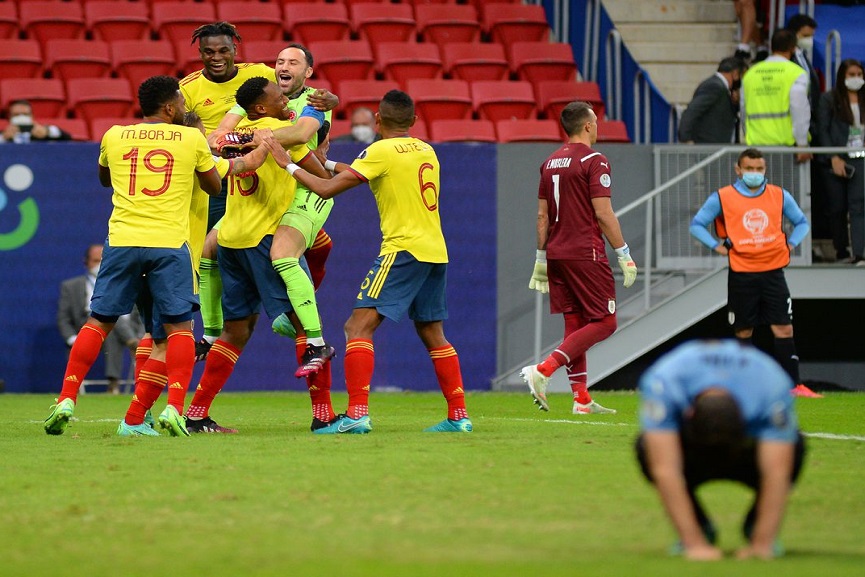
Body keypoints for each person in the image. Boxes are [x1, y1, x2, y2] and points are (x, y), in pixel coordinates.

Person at [264, 89, 473, 434]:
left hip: (403, 250)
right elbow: (359, 171)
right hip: (436, 250)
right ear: (414, 121)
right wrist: (324, 160)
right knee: (433, 332)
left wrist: (285, 163)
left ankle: (357, 413)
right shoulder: (426, 150)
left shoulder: (380, 151)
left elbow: (326, 189)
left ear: (377, 120)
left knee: (357, 327)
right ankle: (458, 416)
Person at [43, 75, 223, 436]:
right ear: (170, 107)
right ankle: (173, 408)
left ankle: (66, 398)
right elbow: (213, 186)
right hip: (168, 244)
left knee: (99, 321)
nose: (185, 109)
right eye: (182, 105)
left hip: (122, 240)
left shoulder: (114, 134)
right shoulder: (191, 138)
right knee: (178, 329)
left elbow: (104, 179)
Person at [185, 78, 336, 433]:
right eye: (279, 96)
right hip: (264, 240)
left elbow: (219, 141)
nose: (286, 99)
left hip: (231, 241)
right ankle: (324, 417)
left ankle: (196, 416)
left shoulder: (237, 136)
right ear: (261, 108)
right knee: (304, 326)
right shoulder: (277, 131)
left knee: (236, 331)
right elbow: (318, 178)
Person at [116, 110, 273, 436]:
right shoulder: (196, 158)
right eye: (204, 132)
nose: (208, 138)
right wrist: (267, 144)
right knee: (175, 336)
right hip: (175, 257)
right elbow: (246, 165)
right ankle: (142, 416)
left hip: (136, 247)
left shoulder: (156, 158)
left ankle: (140, 415)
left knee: (152, 333)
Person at [193, 37, 337, 362]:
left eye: (293, 63)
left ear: (309, 71)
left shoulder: (311, 104)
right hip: (264, 214)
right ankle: (315, 341)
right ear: (261, 105)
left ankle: (208, 335)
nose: (283, 71)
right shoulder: (273, 118)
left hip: (264, 214)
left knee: (224, 253)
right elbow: (317, 169)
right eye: (280, 62)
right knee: (280, 265)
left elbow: (217, 140)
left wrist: (244, 138)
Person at [636, 339, 806, 560]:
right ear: (689, 415)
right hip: (691, 450)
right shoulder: (665, 381)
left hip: (747, 450)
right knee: (646, 447)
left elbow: (777, 470)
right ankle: (699, 527)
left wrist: (762, 543)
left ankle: (756, 526)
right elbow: (664, 468)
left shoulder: (769, 383)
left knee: (794, 445)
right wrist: (694, 544)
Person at [518, 101, 637, 415]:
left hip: (557, 252)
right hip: (586, 251)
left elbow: (542, 217)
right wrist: (623, 252)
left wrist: (541, 258)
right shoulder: (595, 160)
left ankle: (581, 398)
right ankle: (544, 370)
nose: (597, 128)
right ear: (587, 126)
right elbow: (603, 214)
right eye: (595, 122)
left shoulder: (549, 163)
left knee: (576, 324)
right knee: (606, 322)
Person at [689, 147, 820, 398]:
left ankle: (794, 385)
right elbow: (697, 225)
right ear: (738, 170)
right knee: (743, 330)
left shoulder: (779, 195)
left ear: (765, 169)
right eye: (749, 169)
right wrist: (717, 246)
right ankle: (742, 386)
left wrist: (790, 244)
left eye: (759, 169)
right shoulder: (723, 197)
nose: (754, 173)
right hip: (742, 272)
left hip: (773, 271)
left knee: (784, 328)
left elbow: (802, 222)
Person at [57, 244, 143, 395]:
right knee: (108, 320)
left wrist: (142, 336)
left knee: (112, 325)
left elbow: (143, 313)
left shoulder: (128, 281)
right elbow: (63, 318)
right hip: (89, 330)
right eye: (96, 261)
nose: (100, 265)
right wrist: (73, 340)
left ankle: (115, 381)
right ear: (86, 262)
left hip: (125, 330)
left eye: (103, 260)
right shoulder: (71, 286)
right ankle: (115, 381)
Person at [815, 58, 865, 264]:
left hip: (860, 158)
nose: (856, 79)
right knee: (837, 207)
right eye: (851, 75)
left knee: (858, 205)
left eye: (859, 75)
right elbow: (822, 129)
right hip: (836, 158)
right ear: (842, 77)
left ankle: (859, 252)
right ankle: (841, 249)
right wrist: (833, 156)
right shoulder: (829, 99)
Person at [740, 29, 811, 163]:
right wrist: (802, 144)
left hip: (755, 147)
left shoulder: (750, 73)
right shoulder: (796, 73)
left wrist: (747, 135)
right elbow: (799, 110)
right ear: (793, 48)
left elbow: (743, 110)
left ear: (771, 47)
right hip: (786, 148)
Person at [678, 57, 747, 144]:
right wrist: (686, 138)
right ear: (735, 74)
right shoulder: (714, 86)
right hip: (708, 146)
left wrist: (735, 103)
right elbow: (692, 111)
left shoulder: (722, 88)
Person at [0, 100, 71, 143]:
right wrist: (3, 138)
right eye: (16, 115)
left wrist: (47, 132)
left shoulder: (41, 132)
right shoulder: (3, 135)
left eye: (25, 114)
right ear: (9, 117)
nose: (21, 117)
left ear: (32, 116)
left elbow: (67, 137)